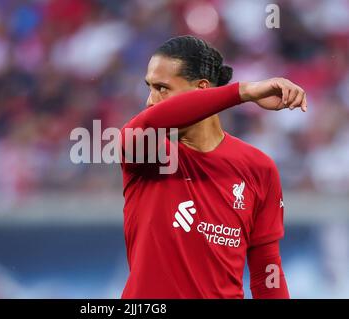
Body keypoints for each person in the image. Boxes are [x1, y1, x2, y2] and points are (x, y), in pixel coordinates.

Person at [120, 35, 307, 298]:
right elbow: (147, 124)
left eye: (162, 88)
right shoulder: (148, 153)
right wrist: (244, 92)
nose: (150, 101)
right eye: (149, 87)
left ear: (203, 89)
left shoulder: (259, 168)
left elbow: (267, 270)